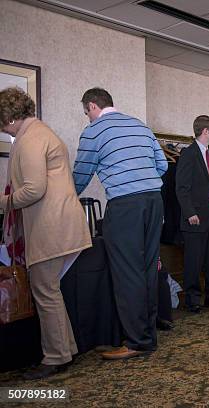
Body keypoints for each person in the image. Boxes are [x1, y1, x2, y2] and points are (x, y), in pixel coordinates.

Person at [0, 87, 92, 379]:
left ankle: (55, 357)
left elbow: (33, 189)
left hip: (50, 225)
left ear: (9, 117)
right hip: (61, 222)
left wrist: (2, 202)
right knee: (50, 291)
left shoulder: (29, 140)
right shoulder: (41, 132)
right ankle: (64, 351)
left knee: (45, 292)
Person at [73, 87, 167, 360]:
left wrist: (65, 201)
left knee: (128, 273)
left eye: (86, 113)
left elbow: (81, 174)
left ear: (92, 106)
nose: (87, 119)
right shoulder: (140, 125)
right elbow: (162, 165)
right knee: (148, 268)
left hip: (126, 206)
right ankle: (148, 336)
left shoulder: (95, 130)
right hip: (153, 201)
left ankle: (137, 342)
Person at [175, 115, 209, 314]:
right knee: (193, 261)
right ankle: (193, 301)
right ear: (205, 131)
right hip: (195, 216)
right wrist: (189, 212)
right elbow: (181, 187)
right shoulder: (188, 154)